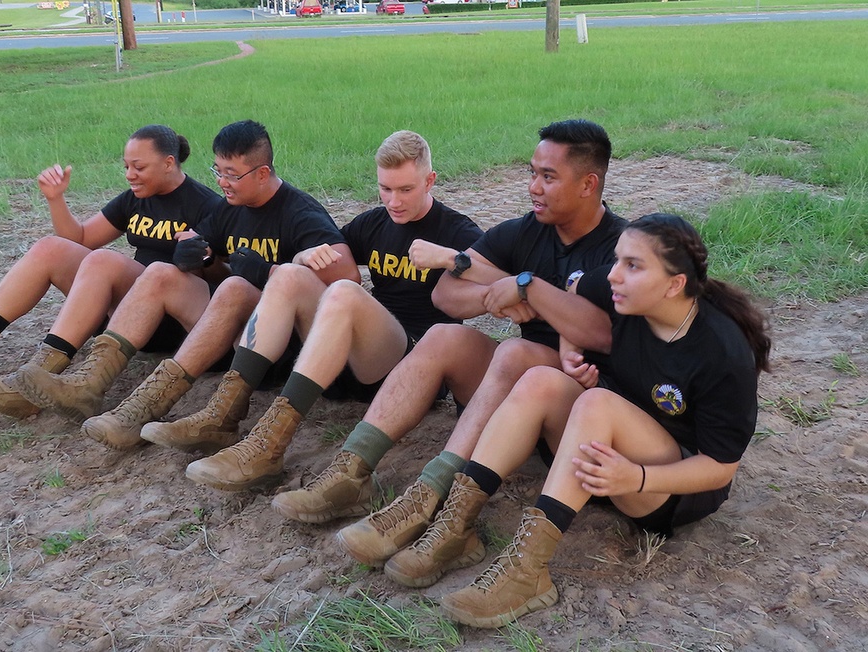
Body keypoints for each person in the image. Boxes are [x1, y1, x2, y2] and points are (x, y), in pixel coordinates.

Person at [271, 119, 625, 567]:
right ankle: (351, 472)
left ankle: (432, 500)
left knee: (518, 353)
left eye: (548, 177)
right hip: (510, 399)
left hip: (574, 412)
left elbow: (603, 334)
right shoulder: (525, 231)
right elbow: (445, 293)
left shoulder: (620, 247)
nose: (533, 186)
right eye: (532, 172)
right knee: (443, 336)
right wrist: (493, 294)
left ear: (589, 183)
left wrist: (528, 287)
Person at [401, 213, 771, 628]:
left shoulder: (722, 352)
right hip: (598, 459)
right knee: (541, 378)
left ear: (674, 284)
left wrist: (637, 478)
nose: (613, 275)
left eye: (633, 265)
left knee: (598, 403)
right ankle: (456, 526)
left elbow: (721, 468)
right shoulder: (615, 290)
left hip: (662, 485)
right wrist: (568, 350)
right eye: (616, 260)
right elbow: (573, 293)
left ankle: (527, 573)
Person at [152, 130, 484, 491]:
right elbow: (330, 260)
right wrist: (299, 257)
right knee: (293, 274)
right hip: (355, 364)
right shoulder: (373, 222)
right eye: (385, 189)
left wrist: (453, 258)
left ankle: (271, 442)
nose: (394, 201)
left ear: (430, 181)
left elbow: (497, 282)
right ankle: (228, 415)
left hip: (412, 362)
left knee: (343, 291)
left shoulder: (456, 229)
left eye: (405, 190)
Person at [15, 119, 360, 447]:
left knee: (236, 287)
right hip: (230, 330)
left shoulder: (301, 213)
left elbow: (349, 278)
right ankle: (100, 391)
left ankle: (200, 411)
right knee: (162, 272)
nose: (222, 182)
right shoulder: (230, 208)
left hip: (281, 346)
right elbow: (207, 255)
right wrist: (199, 259)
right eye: (218, 171)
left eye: (232, 174)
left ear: (263, 173)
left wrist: (272, 270)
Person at [0, 124, 221, 419]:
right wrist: (56, 199)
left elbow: (221, 280)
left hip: (166, 320)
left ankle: (34, 381)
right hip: (123, 313)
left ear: (168, 163)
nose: (129, 175)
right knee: (50, 247)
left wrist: (200, 258)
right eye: (126, 167)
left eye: (139, 167)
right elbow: (79, 239)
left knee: (102, 260)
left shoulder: (206, 205)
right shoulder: (134, 199)